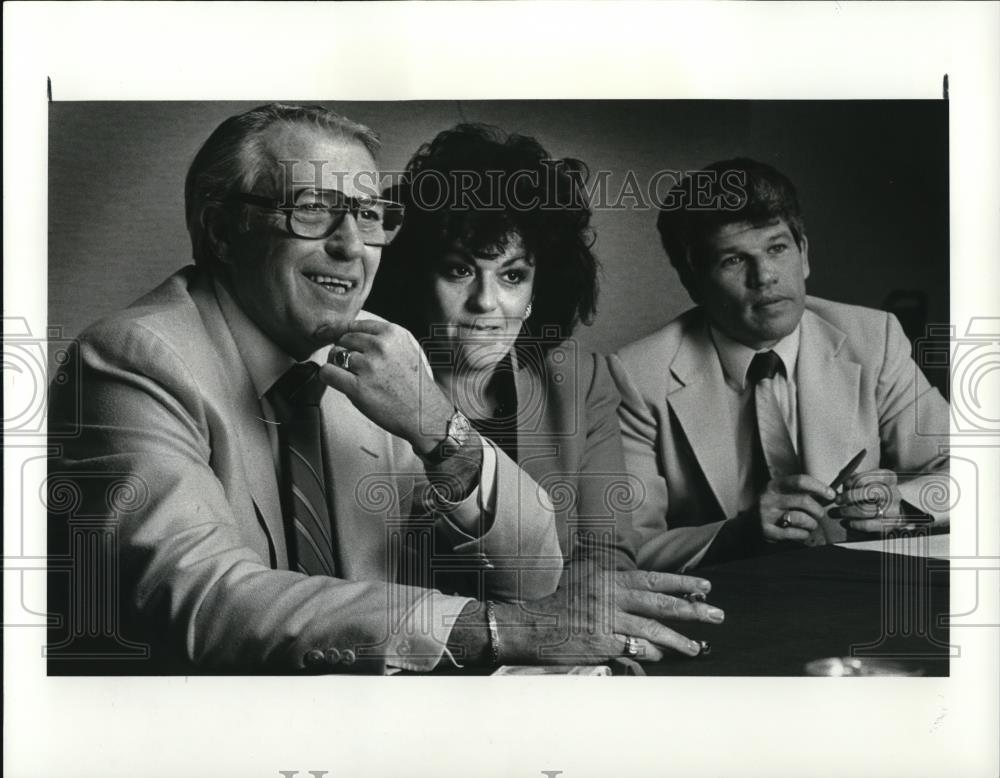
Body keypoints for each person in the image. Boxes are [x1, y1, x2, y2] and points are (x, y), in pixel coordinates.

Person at [47, 104, 722, 675]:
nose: (352, 246)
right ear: (223, 229)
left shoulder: (368, 347)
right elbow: (198, 599)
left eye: (370, 216)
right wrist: (491, 629)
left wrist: (441, 430)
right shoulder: (133, 357)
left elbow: (538, 575)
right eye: (314, 211)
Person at [610, 158, 951, 572]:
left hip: (852, 589)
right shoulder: (636, 375)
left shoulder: (873, 338)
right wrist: (740, 533)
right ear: (691, 280)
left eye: (777, 248)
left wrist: (902, 503)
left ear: (803, 254)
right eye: (733, 260)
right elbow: (625, 550)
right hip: (726, 603)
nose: (765, 276)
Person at [367, 123, 640, 577]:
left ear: (538, 289)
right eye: (459, 270)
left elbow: (608, 554)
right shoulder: (370, 383)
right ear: (416, 278)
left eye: (512, 275)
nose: (486, 302)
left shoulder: (581, 383)